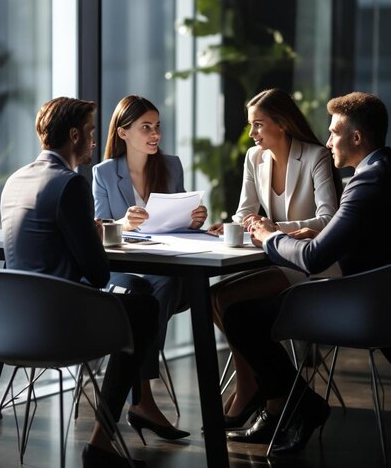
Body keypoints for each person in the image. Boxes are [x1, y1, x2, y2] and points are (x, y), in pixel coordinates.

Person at [224, 91, 391, 454]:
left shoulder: (365, 184)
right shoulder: (383, 171)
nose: (327, 140)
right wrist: (321, 232)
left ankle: (300, 403)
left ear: (357, 138)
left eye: (334, 132)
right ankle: (288, 404)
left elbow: (314, 259)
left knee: (239, 317)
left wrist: (270, 235)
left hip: (359, 307)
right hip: (375, 298)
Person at [0, 96, 159, 468]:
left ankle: (111, 436)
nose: (93, 142)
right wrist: (90, 232)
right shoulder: (69, 185)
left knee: (135, 294)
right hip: (60, 325)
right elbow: (99, 273)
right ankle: (101, 443)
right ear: (73, 135)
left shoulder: (15, 180)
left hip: (13, 324)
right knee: (144, 308)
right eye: (89, 133)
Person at [207, 88, 339, 429]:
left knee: (229, 300)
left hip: (312, 263)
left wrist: (274, 228)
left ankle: (258, 388)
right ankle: (251, 384)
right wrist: (228, 226)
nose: (252, 134)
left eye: (259, 125)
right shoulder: (255, 158)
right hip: (278, 259)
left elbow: (328, 219)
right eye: (252, 126)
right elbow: (245, 213)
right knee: (214, 297)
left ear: (282, 123)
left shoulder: (315, 157)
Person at [92, 95, 207, 440]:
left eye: (157, 126)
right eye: (146, 127)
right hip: (120, 275)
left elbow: (183, 222)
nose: (155, 134)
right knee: (154, 290)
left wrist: (195, 220)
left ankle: (140, 396)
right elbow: (98, 229)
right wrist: (124, 224)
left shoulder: (170, 166)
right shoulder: (105, 173)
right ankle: (142, 398)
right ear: (123, 133)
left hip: (163, 271)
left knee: (166, 284)